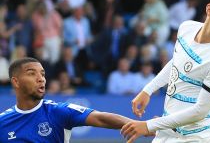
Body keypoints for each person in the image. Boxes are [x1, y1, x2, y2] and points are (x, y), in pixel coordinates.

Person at [121, 0, 210, 142]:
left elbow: (200, 111)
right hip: (165, 133)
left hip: (194, 138)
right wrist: (149, 89)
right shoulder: (186, 28)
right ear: (209, 9)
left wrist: (149, 125)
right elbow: (178, 61)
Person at [0, 57, 132, 142]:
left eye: (43, 74)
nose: (41, 78)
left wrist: (142, 125)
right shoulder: (2, 122)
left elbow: (100, 118)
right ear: (16, 82)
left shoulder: (57, 112)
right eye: (31, 73)